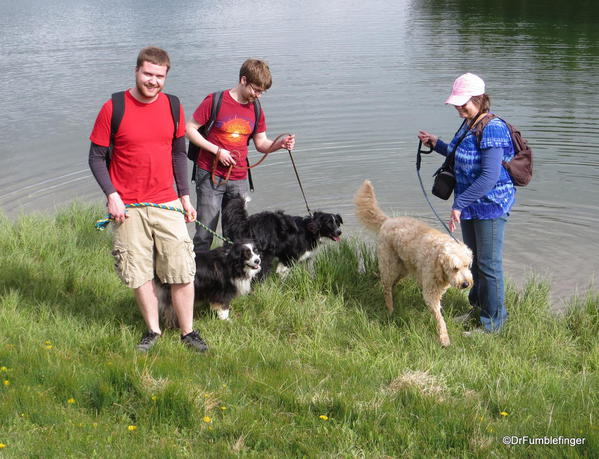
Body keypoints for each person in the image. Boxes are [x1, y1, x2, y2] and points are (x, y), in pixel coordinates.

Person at [88, 46, 208, 352]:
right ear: (136, 71)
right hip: (127, 208)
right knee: (137, 271)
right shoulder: (113, 107)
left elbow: (179, 153)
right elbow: (96, 157)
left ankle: (188, 332)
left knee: (182, 268)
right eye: (147, 74)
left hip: (167, 201)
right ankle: (153, 331)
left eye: (159, 76)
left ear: (166, 75)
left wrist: (185, 196)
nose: (153, 81)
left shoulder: (173, 106)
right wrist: (112, 196)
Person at [418, 73, 516, 333]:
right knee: (472, 262)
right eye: (457, 103)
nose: (459, 107)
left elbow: (489, 176)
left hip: (491, 206)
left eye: (464, 103)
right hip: (470, 205)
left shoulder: (493, 128)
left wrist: (459, 203)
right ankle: (477, 310)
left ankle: (494, 323)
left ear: (479, 99)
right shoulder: (468, 123)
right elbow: (459, 153)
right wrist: (436, 144)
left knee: (489, 264)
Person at [186, 58, 296, 253]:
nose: (259, 95)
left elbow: (261, 144)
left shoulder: (256, 109)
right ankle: (196, 279)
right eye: (256, 89)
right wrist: (217, 151)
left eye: (263, 92)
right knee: (204, 234)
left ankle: (231, 279)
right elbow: (190, 129)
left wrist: (280, 144)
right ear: (243, 80)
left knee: (237, 236)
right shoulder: (215, 101)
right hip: (210, 176)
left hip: (239, 179)